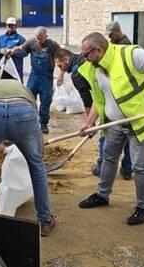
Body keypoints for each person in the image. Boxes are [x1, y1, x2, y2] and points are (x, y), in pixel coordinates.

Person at [75, 32, 144, 226]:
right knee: (108, 157)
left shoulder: (130, 55)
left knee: (140, 166)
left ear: (98, 50)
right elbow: (99, 99)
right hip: (115, 124)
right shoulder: (95, 68)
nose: (84, 59)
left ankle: (143, 207)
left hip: (140, 121)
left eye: (87, 54)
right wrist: (89, 122)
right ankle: (102, 195)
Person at [0, 78, 55, 236]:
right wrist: (35, 152)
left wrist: (1, 148)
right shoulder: (24, 91)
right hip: (23, 112)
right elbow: (33, 127)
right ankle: (45, 219)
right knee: (36, 165)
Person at [55, 48, 132, 180]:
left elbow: (88, 101)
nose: (60, 68)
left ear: (66, 60)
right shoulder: (85, 58)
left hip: (108, 101)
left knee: (105, 135)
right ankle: (127, 169)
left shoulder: (77, 74)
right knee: (128, 133)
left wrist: (89, 123)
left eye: (60, 66)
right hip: (126, 99)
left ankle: (101, 167)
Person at [11, 26, 61, 133]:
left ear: (46, 36)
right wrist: (14, 50)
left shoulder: (53, 45)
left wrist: (61, 74)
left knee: (45, 101)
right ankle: (29, 121)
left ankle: (43, 124)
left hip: (46, 77)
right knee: (29, 98)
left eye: (41, 38)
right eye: (37, 38)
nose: (38, 40)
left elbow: (61, 58)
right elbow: (21, 48)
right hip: (34, 76)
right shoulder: (31, 42)